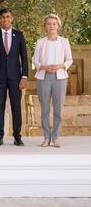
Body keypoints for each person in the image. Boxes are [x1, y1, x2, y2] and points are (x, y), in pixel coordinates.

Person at [0, 8, 28, 146]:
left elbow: (24, 58)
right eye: (3, 17)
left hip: (16, 78)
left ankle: (17, 136)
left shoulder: (19, 35)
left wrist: (24, 77)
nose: (5, 19)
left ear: (12, 18)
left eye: (8, 17)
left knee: (16, 107)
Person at [33, 14, 73, 148]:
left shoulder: (64, 41)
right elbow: (35, 60)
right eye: (49, 24)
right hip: (43, 77)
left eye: (54, 24)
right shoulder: (40, 42)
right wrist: (44, 67)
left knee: (58, 109)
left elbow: (69, 60)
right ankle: (46, 137)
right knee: (44, 109)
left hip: (60, 78)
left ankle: (56, 137)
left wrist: (61, 66)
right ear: (45, 27)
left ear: (58, 26)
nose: (51, 26)